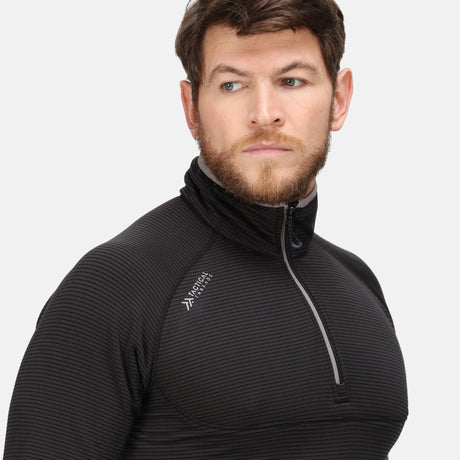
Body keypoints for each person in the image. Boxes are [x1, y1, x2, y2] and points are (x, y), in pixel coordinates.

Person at [4, 0, 408, 458]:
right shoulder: (116, 286)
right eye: (232, 84)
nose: (264, 114)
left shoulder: (358, 283)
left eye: (291, 81)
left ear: (339, 99)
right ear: (191, 108)